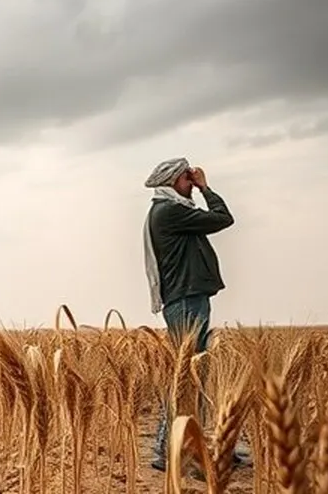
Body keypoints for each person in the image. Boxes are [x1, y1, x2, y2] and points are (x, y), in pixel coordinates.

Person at [141, 157, 250, 472]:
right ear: (172, 181)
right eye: (186, 178)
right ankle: (167, 451)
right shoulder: (170, 211)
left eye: (192, 178)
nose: (190, 182)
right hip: (186, 299)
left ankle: (209, 449)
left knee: (193, 377)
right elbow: (222, 218)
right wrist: (206, 188)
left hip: (188, 297)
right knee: (187, 377)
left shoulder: (169, 211)